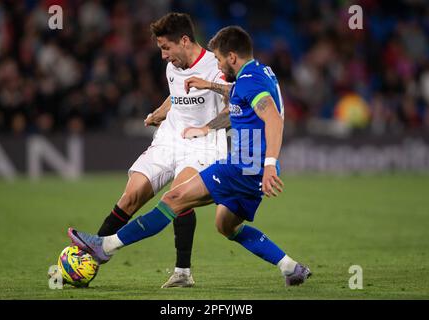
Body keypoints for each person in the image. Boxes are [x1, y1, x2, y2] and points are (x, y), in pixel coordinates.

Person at [68, 26, 311, 287]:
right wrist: (209, 88)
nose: (216, 63)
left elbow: (273, 118)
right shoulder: (259, 72)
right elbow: (240, 95)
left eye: (218, 58)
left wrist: (270, 164)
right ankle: (291, 267)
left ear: (231, 57)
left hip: (242, 165)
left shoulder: (249, 81)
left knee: (174, 198)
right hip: (251, 170)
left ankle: (105, 246)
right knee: (226, 226)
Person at [94, 12, 231, 288]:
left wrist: (206, 127)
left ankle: (182, 272)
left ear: (184, 40)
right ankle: (88, 258)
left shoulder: (215, 67)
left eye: (166, 48)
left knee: (177, 196)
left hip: (204, 143)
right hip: (169, 138)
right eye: (160, 49)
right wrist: (161, 111)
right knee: (131, 196)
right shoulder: (173, 66)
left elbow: (236, 103)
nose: (163, 56)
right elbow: (178, 94)